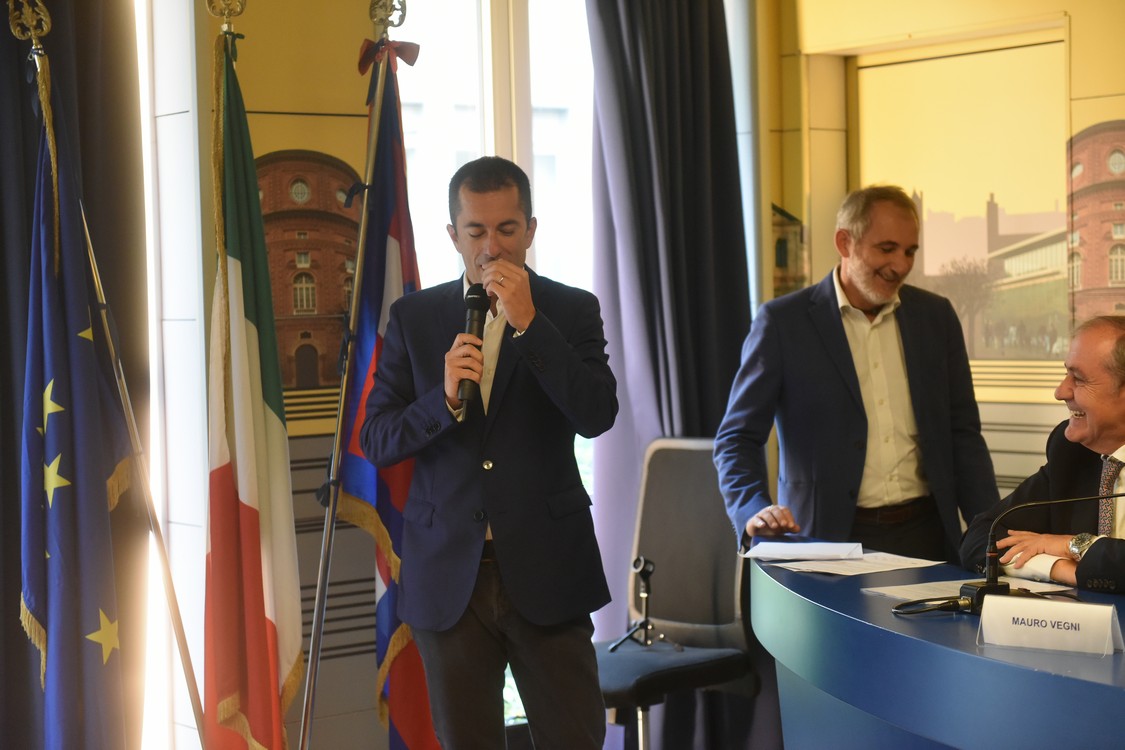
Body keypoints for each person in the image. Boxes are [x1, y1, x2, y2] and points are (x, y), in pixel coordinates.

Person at [360, 156, 617, 748]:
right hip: (448, 577)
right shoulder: (414, 318)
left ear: (530, 229)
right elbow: (377, 439)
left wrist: (530, 326)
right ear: (454, 235)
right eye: (476, 231)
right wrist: (444, 399)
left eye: (506, 229)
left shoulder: (573, 309)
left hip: (549, 568)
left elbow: (596, 415)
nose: (491, 247)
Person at [714, 185, 998, 562]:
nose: (901, 265)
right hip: (823, 542)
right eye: (887, 248)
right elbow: (736, 439)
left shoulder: (936, 318)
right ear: (844, 243)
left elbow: (963, 435)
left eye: (909, 251)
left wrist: (995, 533)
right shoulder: (783, 323)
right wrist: (753, 509)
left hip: (927, 537)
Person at [960, 316, 1125, 591]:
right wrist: (1059, 568)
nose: (1060, 392)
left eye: (1079, 379)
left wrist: (1070, 544)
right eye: (1066, 374)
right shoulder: (1073, 454)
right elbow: (981, 537)